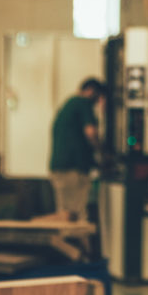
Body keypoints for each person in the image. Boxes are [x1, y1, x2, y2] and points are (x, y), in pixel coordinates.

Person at [48, 77, 106, 222]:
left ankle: (66, 245)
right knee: (79, 218)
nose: (98, 103)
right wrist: (103, 152)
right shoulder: (83, 103)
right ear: (91, 91)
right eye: (98, 98)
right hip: (74, 170)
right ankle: (81, 246)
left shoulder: (68, 105)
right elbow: (90, 132)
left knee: (65, 216)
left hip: (58, 169)